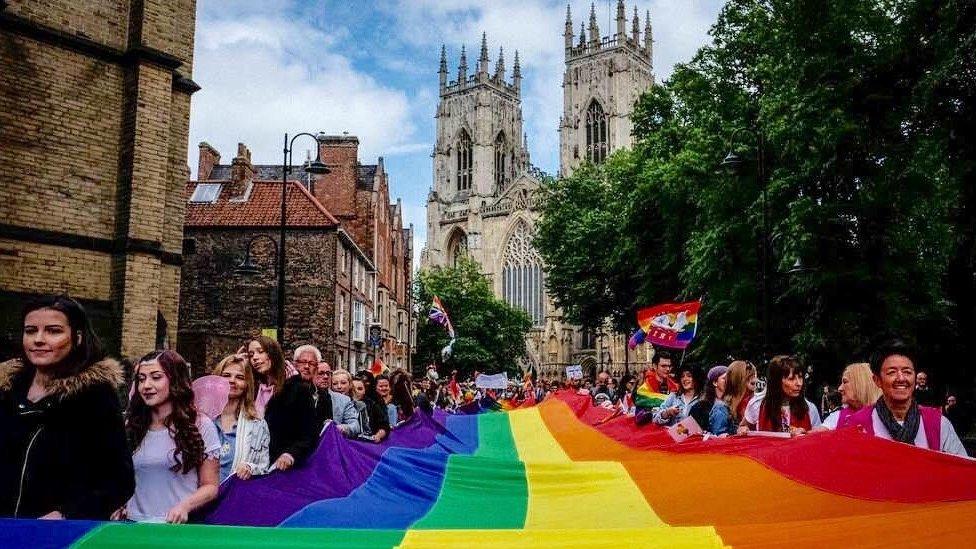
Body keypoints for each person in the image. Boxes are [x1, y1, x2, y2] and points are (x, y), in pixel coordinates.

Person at [0, 295, 134, 519]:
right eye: (31, 331)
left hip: (58, 535)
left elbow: (119, 480)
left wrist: (66, 513)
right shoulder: (6, 392)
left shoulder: (95, 396)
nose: (38, 340)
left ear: (77, 337)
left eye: (53, 331)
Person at [124, 350, 220, 523]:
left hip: (176, 529)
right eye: (141, 379)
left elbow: (211, 486)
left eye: (156, 377)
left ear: (175, 379)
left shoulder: (200, 425)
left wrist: (185, 506)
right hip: (133, 527)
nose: (146, 385)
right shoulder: (132, 426)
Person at [847, 340, 967, 456]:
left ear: (915, 378)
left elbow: (961, 470)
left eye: (907, 372)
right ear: (877, 380)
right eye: (892, 372)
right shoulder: (857, 425)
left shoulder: (938, 424)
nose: (901, 378)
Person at [250, 336, 318, 472]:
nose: (255, 358)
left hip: (281, 469)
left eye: (260, 351)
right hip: (252, 465)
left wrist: (290, 454)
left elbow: (309, 434)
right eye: (251, 354)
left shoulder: (298, 389)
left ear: (273, 353)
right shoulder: (253, 388)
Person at [211, 354, 270, 482]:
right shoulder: (201, 419)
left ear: (247, 384)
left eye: (240, 377)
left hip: (233, 496)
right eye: (226, 376)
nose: (232, 380)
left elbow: (263, 467)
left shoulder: (257, 424)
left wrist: (250, 467)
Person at [741, 355, 821, 435]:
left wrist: (804, 434)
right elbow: (743, 427)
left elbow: (818, 439)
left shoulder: (810, 409)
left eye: (800, 377)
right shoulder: (757, 405)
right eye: (791, 379)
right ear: (777, 381)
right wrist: (743, 429)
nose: (799, 383)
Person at [813, 363, 880, 431]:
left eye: (845, 382)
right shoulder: (836, 417)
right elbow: (817, 434)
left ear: (860, 384)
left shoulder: (883, 415)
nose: (840, 388)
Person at [311, 360, 360, 437]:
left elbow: (355, 425)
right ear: (312, 374)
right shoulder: (304, 395)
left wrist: (341, 428)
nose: (326, 377)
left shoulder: (344, 400)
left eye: (328, 374)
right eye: (321, 373)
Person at [688, 365, 733, 436]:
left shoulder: (733, 404)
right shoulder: (699, 407)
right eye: (724, 378)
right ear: (715, 382)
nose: (728, 381)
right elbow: (687, 430)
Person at [352, 376, 390, 442]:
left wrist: (378, 435)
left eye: (360, 389)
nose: (356, 391)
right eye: (352, 389)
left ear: (364, 391)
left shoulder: (373, 405)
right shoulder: (343, 403)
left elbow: (384, 425)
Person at [724, 360, 757, 426]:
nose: (754, 380)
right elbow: (720, 435)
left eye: (754, 376)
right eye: (749, 377)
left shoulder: (755, 405)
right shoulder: (722, 409)